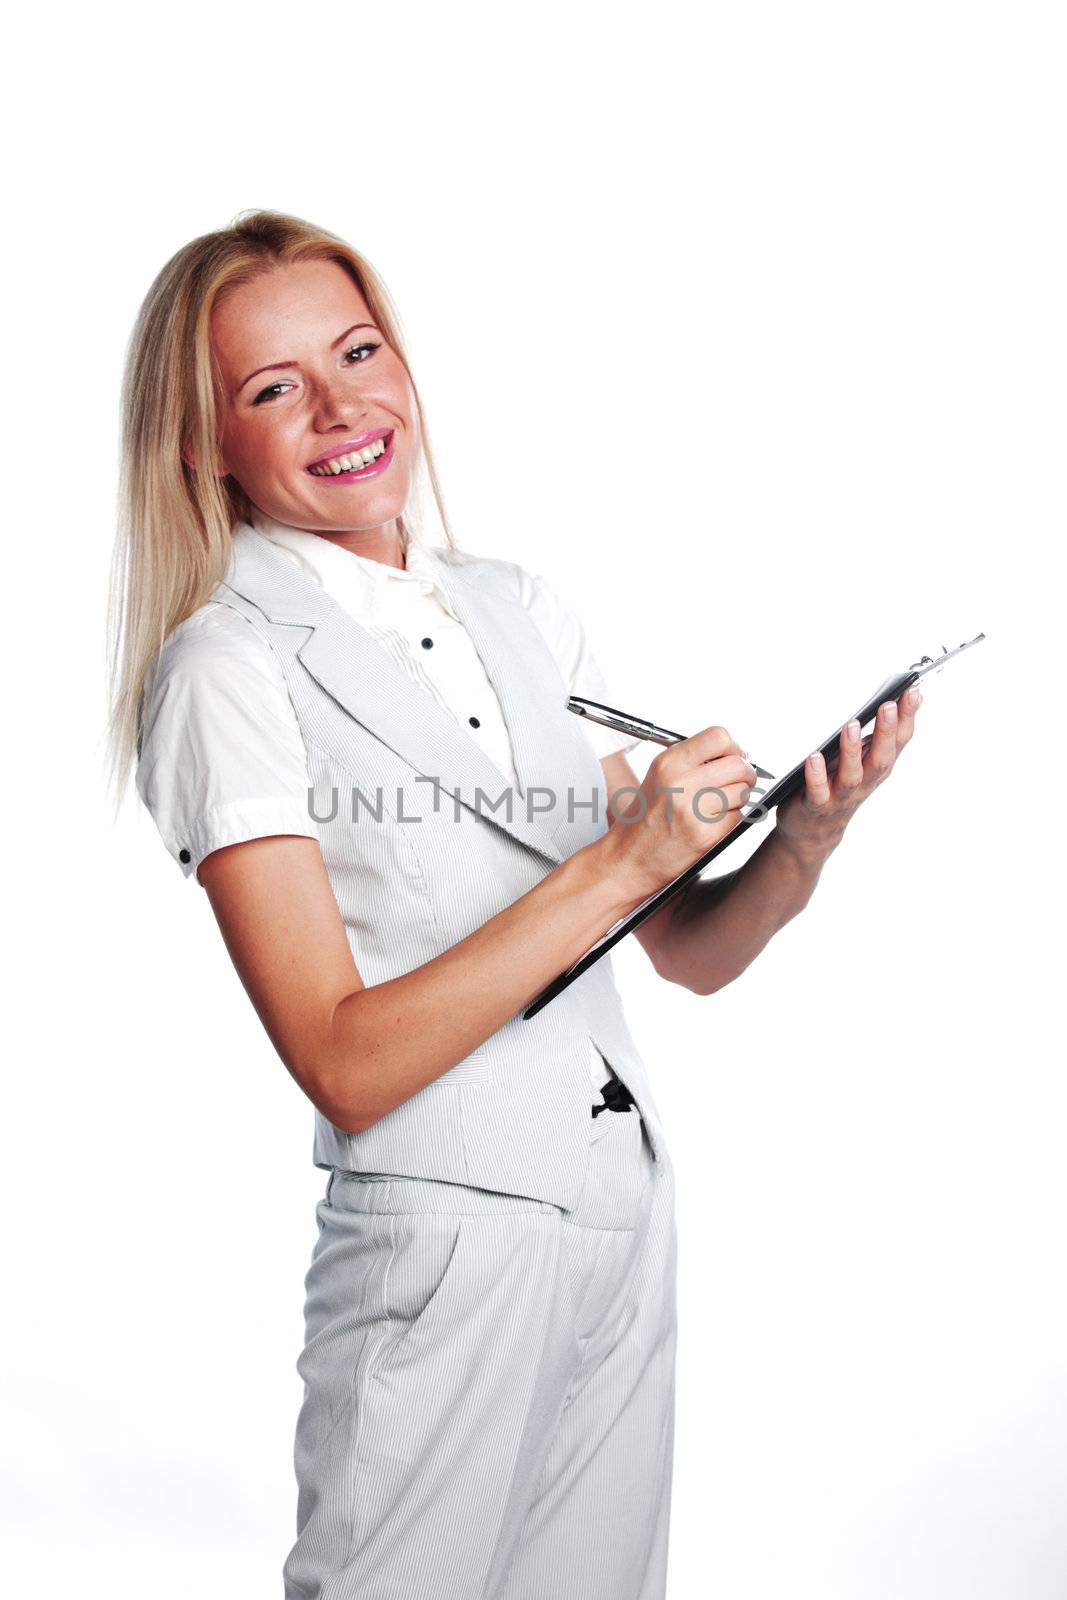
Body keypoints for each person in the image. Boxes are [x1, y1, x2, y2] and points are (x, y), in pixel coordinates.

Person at [107, 208, 922, 1599]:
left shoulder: (519, 609)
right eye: (272, 388)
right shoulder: (226, 671)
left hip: (622, 1206)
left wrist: (804, 837)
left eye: (359, 353)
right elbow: (344, 1061)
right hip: (439, 1250)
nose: (342, 407)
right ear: (203, 445)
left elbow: (687, 954)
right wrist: (625, 856)